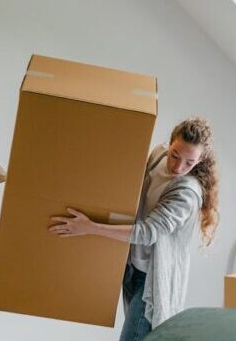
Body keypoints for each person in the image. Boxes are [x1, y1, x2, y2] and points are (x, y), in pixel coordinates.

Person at [48, 117, 219, 341]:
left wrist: (90, 227)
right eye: (175, 155)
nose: (178, 167)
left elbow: (147, 233)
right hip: (132, 268)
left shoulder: (186, 192)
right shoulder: (158, 155)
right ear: (170, 144)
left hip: (153, 278)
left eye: (189, 162)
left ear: (200, 160)